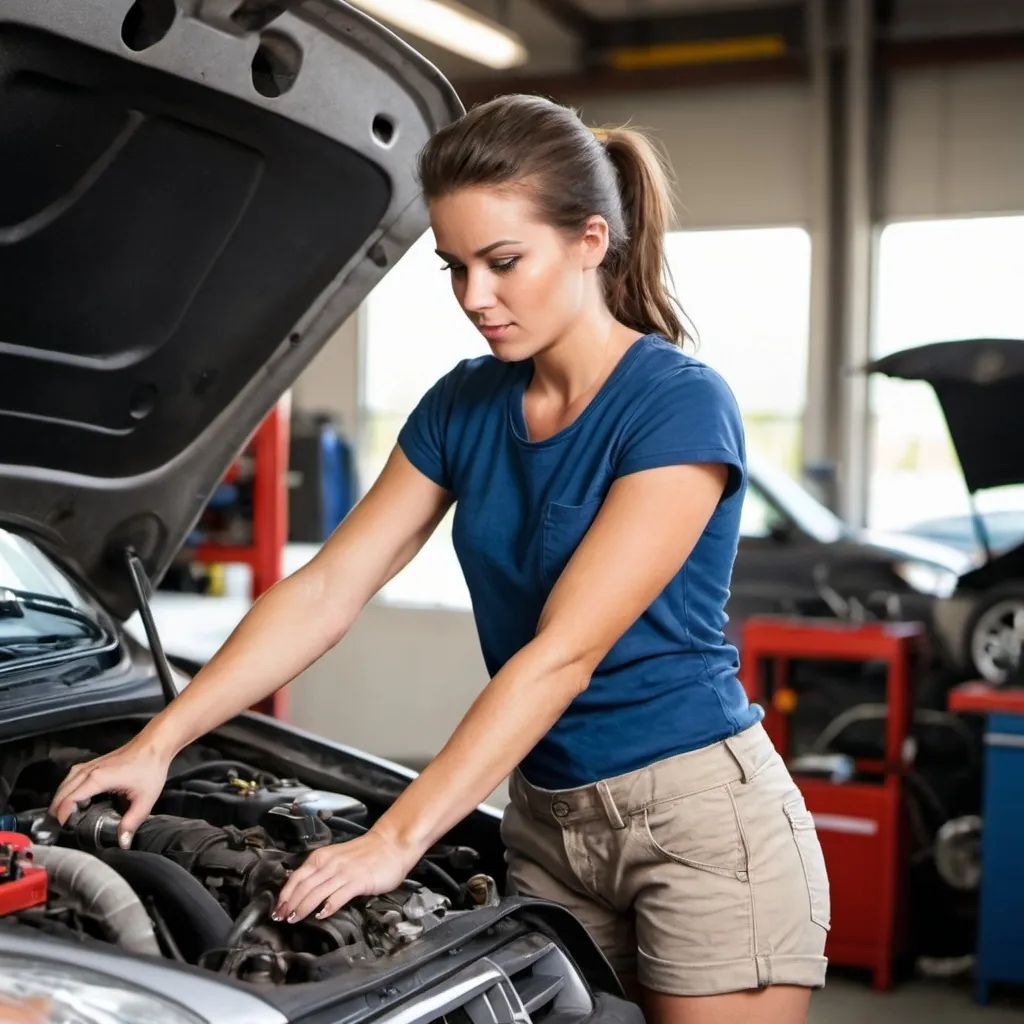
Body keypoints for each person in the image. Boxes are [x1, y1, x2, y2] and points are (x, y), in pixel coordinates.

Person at [50, 94, 829, 1024]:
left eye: (503, 263)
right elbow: (330, 587)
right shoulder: (463, 404)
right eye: (454, 267)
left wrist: (394, 841)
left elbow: (561, 656)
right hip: (547, 818)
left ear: (590, 240)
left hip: (701, 823)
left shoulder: (678, 405)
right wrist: (157, 742)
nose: (474, 298)